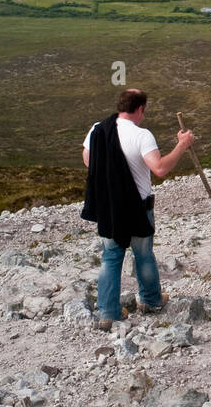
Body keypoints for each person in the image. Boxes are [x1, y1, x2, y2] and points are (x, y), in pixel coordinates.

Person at [82, 89, 196, 331]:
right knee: (143, 254)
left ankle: (108, 313)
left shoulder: (98, 129)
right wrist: (182, 145)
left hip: (109, 207)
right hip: (137, 207)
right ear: (140, 109)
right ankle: (150, 300)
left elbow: (88, 160)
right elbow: (160, 168)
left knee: (111, 257)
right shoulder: (141, 135)